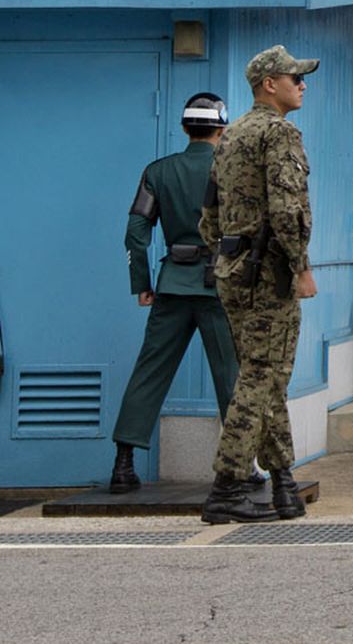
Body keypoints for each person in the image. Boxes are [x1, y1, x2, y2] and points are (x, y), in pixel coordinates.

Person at [198, 46, 319, 524]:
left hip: (232, 269)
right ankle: (227, 484)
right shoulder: (278, 133)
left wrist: (227, 253)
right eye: (295, 77)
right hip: (268, 272)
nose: (302, 84)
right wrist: (300, 266)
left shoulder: (230, 138)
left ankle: (283, 483)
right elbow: (289, 211)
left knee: (264, 376)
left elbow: (209, 214)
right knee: (261, 376)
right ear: (270, 83)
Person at [107, 94, 242, 494]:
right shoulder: (233, 170)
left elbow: (135, 232)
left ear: (185, 128)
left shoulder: (158, 171)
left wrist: (142, 284)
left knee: (150, 371)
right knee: (231, 375)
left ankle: (123, 463)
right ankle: (238, 467)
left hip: (172, 285)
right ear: (222, 128)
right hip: (221, 285)